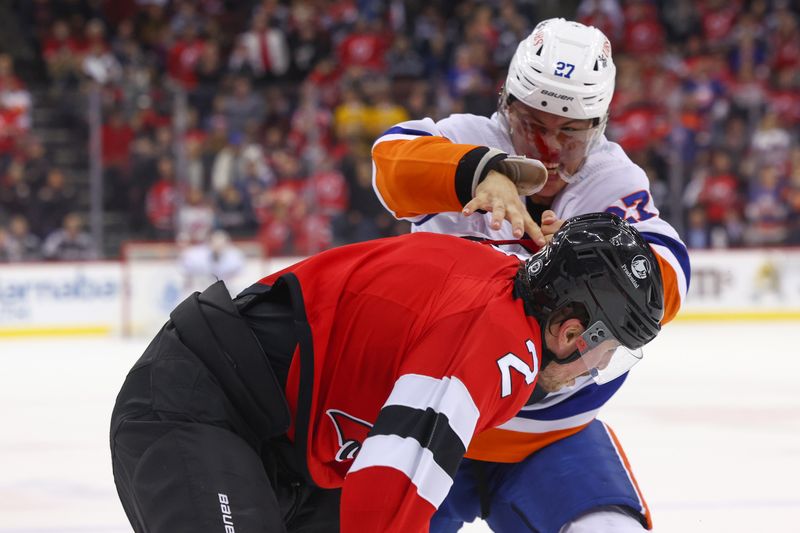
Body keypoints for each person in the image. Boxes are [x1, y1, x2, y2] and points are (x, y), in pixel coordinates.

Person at [110, 212, 664, 533]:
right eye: (608, 349)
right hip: (205, 412)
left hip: (273, 447)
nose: (598, 369)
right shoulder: (504, 348)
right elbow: (388, 488)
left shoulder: (498, 277)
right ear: (572, 332)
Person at [371, 18, 691, 532]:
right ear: (506, 105)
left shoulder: (612, 179)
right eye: (532, 125)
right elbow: (387, 164)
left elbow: (667, 276)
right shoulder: (467, 139)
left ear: (599, 126)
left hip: (548, 435)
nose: (547, 149)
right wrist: (476, 171)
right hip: (427, 414)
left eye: (569, 132)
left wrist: (596, 254)